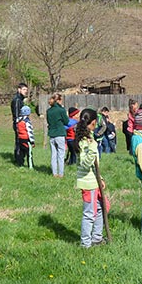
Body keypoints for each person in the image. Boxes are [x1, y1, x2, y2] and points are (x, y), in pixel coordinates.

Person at [75, 108, 105, 248]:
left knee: (99, 209)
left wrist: (101, 178)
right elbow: (85, 164)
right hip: (88, 183)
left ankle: (97, 238)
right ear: (93, 122)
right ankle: (85, 244)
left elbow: (95, 165)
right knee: (89, 213)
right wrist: (93, 148)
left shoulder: (90, 137)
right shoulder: (84, 141)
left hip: (95, 181)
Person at [46, 94, 69, 178]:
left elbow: (48, 121)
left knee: (53, 155)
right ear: (58, 100)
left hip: (52, 134)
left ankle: (54, 173)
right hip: (60, 133)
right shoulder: (61, 110)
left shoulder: (48, 111)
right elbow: (66, 121)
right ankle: (61, 173)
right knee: (61, 154)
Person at [11, 82, 28, 157]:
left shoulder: (20, 100)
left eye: (26, 90)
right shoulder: (17, 100)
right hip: (18, 124)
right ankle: (18, 159)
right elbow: (17, 114)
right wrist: (19, 124)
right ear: (19, 90)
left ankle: (20, 157)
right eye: (24, 89)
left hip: (21, 123)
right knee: (19, 141)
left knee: (21, 141)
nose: (25, 91)